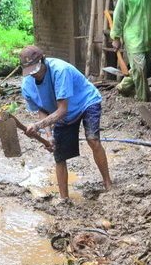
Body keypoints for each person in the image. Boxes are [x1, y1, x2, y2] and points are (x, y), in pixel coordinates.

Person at [19, 46, 112, 200]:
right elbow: (42, 109)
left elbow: (62, 109)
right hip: (60, 113)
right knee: (59, 154)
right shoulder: (27, 86)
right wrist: (48, 136)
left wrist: (37, 126)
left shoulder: (60, 71)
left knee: (92, 140)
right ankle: (64, 199)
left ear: (43, 60)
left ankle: (108, 183)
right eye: (30, 71)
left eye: (36, 69)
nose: (34, 74)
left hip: (85, 102)